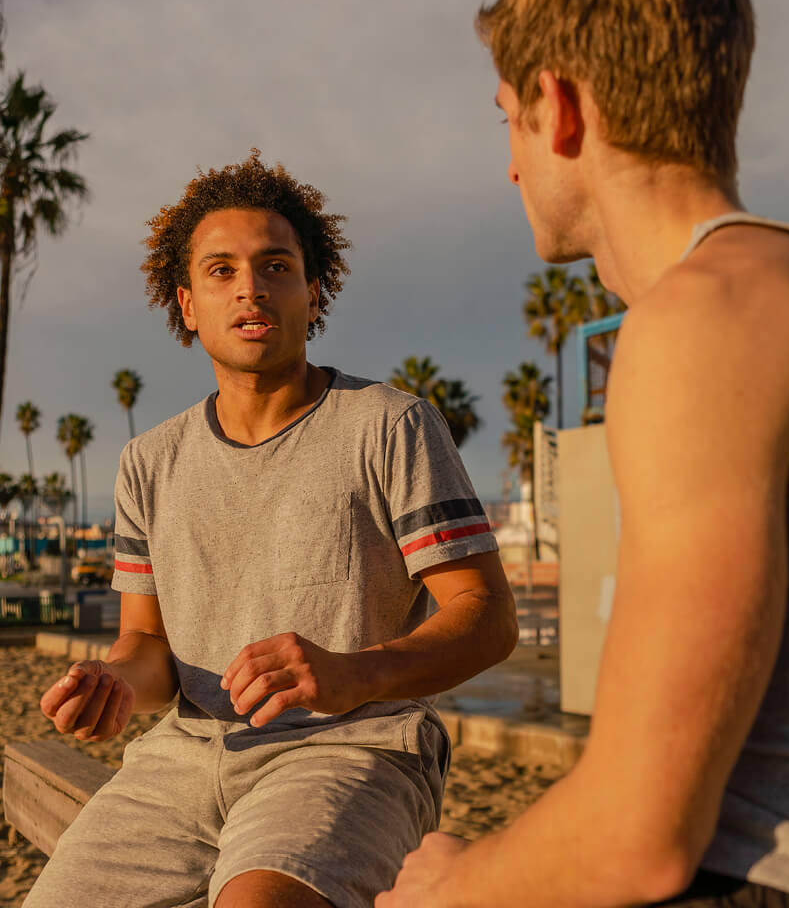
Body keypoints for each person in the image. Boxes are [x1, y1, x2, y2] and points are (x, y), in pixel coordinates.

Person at [381, 0, 789, 907]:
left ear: (562, 108)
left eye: (509, 122)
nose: (510, 167)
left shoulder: (707, 321)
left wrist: (447, 888)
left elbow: (637, 836)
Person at [29, 152, 518, 908]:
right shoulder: (147, 462)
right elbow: (149, 647)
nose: (250, 287)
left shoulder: (390, 426)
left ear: (312, 292)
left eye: (276, 266)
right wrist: (113, 685)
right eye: (221, 270)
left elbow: (486, 620)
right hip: (182, 760)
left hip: (354, 749)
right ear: (187, 304)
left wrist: (355, 673)